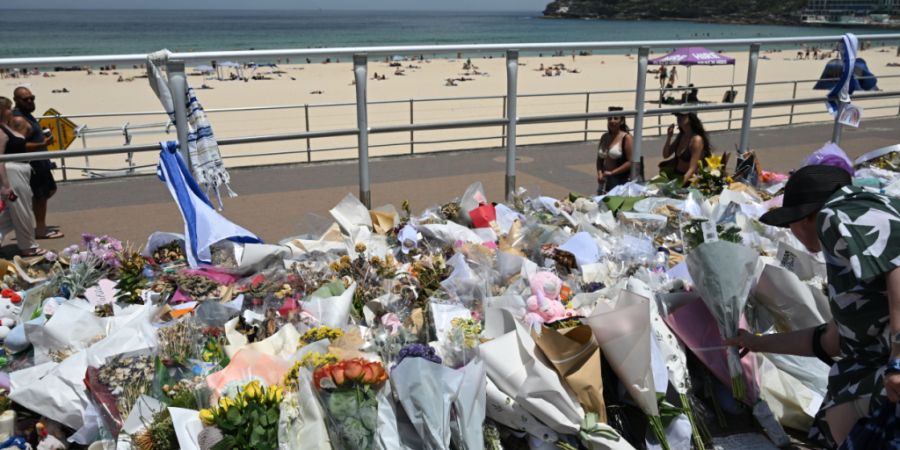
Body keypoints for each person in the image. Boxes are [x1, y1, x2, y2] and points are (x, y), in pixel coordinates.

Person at [728, 164, 900, 448]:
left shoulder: (834, 214)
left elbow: (898, 262)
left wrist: (897, 358)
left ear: (807, 217)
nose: (791, 232)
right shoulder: (852, 249)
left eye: (789, 223)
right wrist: (757, 343)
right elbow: (830, 341)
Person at [12, 87, 63, 240]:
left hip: (40, 163)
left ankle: (34, 223)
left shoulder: (27, 115)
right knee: (40, 196)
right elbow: (19, 145)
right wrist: (43, 143)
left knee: (48, 191)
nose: (30, 101)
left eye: (32, 98)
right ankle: (40, 229)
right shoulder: (20, 120)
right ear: (16, 100)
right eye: (25, 99)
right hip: (33, 165)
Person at [0, 97, 46, 256]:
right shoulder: (1, 131)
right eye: (8, 108)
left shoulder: (6, 127)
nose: (11, 110)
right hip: (13, 173)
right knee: (21, 210)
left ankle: (26, 244)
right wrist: (6, 186)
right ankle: (28, 246)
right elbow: (0, 159)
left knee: (10, 214)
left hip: (20, 171)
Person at [660, 112, 710, 184]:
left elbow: (692, 168)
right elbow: (666, 155)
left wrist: (678, 185)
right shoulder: (681, 136)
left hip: (689, 180)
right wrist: (669, 137)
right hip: (676, 175)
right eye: (677, 115)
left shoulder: (696, 140)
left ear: (691, 117)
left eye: (682, 115)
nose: (678, 117)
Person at [596, 106, 633, 194]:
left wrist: (612, 173)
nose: (612, 121)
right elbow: (599, 159)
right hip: (604, 180)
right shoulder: (604, 137)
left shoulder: (627, 138)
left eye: (616, 118)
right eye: (609, 118)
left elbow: (630, 162)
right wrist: (600, 173)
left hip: (619, 181)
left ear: (622, 121)